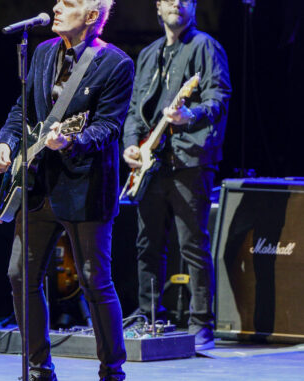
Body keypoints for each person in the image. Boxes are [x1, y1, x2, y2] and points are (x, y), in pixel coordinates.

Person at [0, 0, 134, 379]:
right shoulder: (41, 52)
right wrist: (6, 140)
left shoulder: (116, 64)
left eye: (68, 2)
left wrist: (71, 142)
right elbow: (22, 110)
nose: (55, 7)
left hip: (86, 189)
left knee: (94, 281)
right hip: (38, 186)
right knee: (21, 275)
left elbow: (108, 127)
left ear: (91, 16)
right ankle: (39, 369)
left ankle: (112, 372)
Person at [121, 0, 231, 351]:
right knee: (146, 244)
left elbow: (219, 99)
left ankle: (201, 324)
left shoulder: (205, 47)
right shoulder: (150, 53)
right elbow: (136, 109)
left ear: (194, 6)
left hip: (190, 160)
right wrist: (131, 146)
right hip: (152, 163)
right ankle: (149, 314)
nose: (177, 4)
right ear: (158, 6)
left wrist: (190, 114)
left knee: (192, 244)